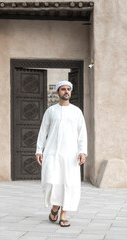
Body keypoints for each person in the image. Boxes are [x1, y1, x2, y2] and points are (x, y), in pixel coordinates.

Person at [35, 80, 87, 227]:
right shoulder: (50, 111)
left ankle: (63, 214)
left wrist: (82, 151)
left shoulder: (77, 112)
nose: (66, 91)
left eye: (68, 89)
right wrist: (39, 150)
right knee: (52, 181)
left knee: (69, 184)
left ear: (71, 92)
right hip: (52, 152)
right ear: (57, 92)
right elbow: (43, 131)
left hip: (71, 154)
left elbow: (82, 133)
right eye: (63, 89)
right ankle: (55, 207)